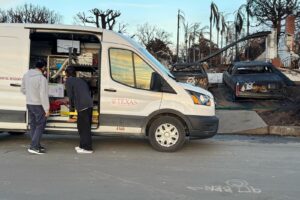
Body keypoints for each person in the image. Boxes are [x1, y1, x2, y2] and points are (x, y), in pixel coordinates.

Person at [21, 60, 49, 155]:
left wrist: (30, 95)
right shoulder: (42, 79)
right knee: (41, 124)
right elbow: (43, 95)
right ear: (43, 68)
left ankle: (35, 144)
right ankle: (33, 146)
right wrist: (46, 109)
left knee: (33, 124)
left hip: (29, 103)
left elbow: (22, 89)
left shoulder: (26, 75)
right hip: (38, 104)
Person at [65, 66, 94, 154]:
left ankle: (87, 148)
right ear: (74, 73)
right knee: (82, 127)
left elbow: (70, 95)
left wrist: (71, 106)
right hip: (88, 104)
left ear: (66, 73)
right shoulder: (80, 80)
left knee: (84, 128)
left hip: (82, 106)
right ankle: (82, 146)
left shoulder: (69, 81)